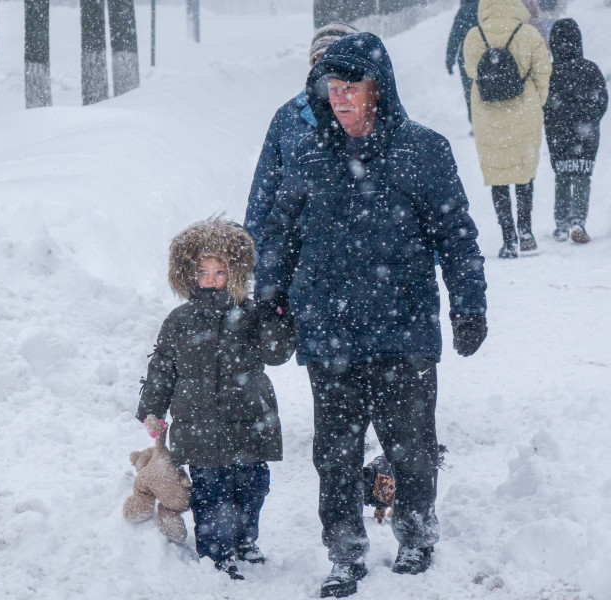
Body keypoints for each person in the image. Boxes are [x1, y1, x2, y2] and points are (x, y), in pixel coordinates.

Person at [255, 33, 488, 598]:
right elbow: (277, 235)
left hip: (402, 327)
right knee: (333, 455)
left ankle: (415, 535)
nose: (339, 99)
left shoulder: (423, 151)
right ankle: (345, 553)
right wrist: (270, 301)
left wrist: (469, 303)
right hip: (329, 331)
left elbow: (457, 236)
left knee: (410, 445)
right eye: (331, 89)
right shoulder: (307, 155)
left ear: (377, 90)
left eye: (350, 88)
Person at [136, 218, 296, 581]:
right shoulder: (179, 321)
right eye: (202, 272)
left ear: (235, 273)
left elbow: (277, 353)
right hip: (200, 424)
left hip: (250, 420)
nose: (210, 280)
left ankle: (244, 540)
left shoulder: (253, 314)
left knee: (254, 486)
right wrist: (151, 409)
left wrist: (278, 314)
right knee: (212, 493)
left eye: (219, 272)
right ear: (189, 274)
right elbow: (162, 367)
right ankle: (216, 552)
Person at [244, 22, 358, 245]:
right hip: (296, 253)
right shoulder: (288, 117)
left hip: (359, 253)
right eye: (319, 60)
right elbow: (264, 193)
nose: (326, 69)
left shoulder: (377, 114)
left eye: (335, 60)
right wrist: (253, 255)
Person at [463, 0, 552, 258]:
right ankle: (526, 233)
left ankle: (508, 239)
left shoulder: (474, 35)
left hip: (487, 115)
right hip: (524, 112)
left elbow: (471, 70)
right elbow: (543, 72)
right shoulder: (528, 34)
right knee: (524, 173)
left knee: (498, 176)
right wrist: (538, 100)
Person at [543, 18, 608, 244]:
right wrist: (589, 121)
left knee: (562, 176)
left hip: (558, 134)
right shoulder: (591, 69)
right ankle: (578, 221)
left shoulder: (549, 72)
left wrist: (553, 121)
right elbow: (602, 101)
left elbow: (543, 104)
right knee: (581, 176)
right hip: (585, 133)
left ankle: (561, 225)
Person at [445, 0, 480, 124]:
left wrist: (450, 59)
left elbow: (454, 36)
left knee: (470, 91)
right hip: (484, 57)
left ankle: (474, 121)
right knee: (485, 87)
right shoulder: (485, 7)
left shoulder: (463, 12)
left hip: (466, 57)